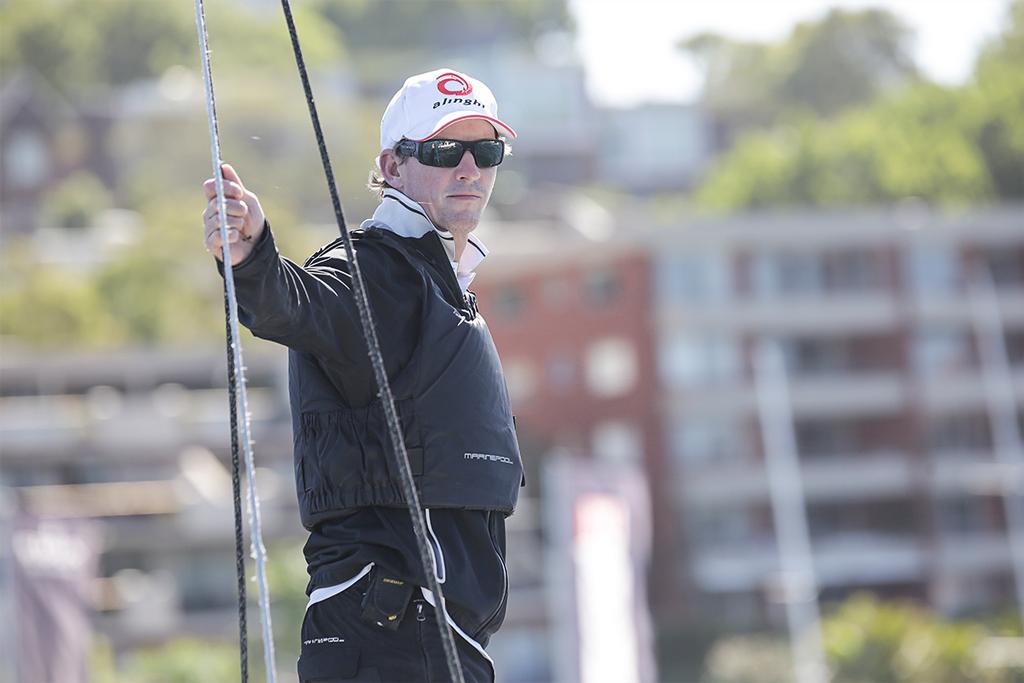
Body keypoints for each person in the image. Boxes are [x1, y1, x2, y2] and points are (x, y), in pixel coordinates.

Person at [201, 68, 524, 683]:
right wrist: (251, 255)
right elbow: (294, 303)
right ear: (393, 167)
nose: (469, 169)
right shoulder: (376, 273)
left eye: (486, 151)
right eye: (441, 150)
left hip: (425, 638)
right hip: (393, 634)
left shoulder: (433, 281)